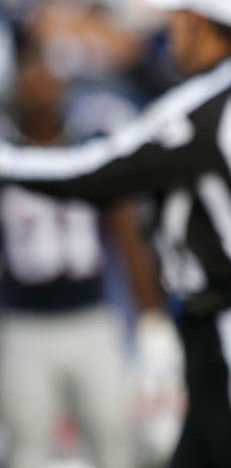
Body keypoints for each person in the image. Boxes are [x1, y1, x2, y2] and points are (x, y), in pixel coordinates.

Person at [0, 0, 231, 468]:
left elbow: (95, 173)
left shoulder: (206, 110)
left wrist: (7, 162)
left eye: (179, 18)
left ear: (199, 21)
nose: (172, 30)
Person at [0, 50, 157, 468]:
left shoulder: (89, 149)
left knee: (114, 438)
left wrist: (152, 317)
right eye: (30, 81)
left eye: (46, 80)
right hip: (23, 321)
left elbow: (127, 234)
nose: (38, 91)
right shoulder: (7, 155)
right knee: (27, 445)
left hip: (90, 317)